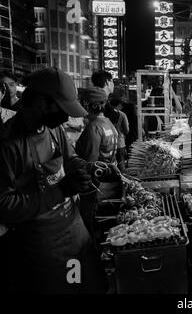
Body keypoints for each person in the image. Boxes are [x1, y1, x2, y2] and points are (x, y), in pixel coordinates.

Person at [0, 67, 110, 294]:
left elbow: (71, 159)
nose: (66, 116)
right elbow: (4, 207)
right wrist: (61, 190)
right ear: (41, 103)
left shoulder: (54, 129)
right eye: (61, 109)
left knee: (88, 286)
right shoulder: (7, 145)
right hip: (43, 250)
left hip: (76, 235)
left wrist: (88, 168)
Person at [75, 87, 119, 240]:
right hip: (107, 185)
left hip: (95, 188)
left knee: (92, 227)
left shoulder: (93, 128)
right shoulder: (108, 124)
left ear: (89, 105)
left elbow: (90, 163)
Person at [109, 94, 129, 171]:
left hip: (109, 142)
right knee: (121, 162)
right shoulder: (122, 115)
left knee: (111, 163)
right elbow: (126, 130)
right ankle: (122, 178)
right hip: (120, 142)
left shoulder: (106, 114)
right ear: (119, 105)